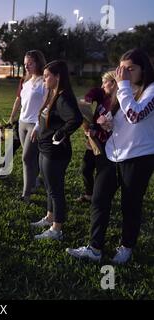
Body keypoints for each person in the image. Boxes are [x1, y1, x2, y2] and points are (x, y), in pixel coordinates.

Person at [67, 48, 154, 264]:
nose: (124, 73)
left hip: (138, 157)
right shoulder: (122, 90)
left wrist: (122, 85)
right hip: (111, 154)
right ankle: (95, 248)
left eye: (130, 69)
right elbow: (120, 119)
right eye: (121, 68)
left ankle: (126, 246)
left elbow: (135, 115)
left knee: (130, 204)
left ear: (144, 70)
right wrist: (107, 123)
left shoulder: (150, 90)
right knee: (98, 200)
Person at [30, 60, 83, 240]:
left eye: (47, 76)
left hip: (56, 153)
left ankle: (56, 229)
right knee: (49, 187)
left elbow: (75, 119)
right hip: (45, 149)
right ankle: (49, 217)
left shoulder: (63, 98)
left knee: (56, 190)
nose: (44, 79)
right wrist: (39, 130)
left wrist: (60, 134)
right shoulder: (54, 94)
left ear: (57, 77)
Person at [0, 50, 46, 202]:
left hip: (34, 125)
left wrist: (38, 126)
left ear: (38, 63)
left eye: (30, 63)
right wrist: (11, 119)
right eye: (25, 64)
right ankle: (34, 182)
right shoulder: (25, 82)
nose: (27, 66)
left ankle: (26, 194)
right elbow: (19, 101)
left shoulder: (44, 82)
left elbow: (47, 107)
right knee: (30, 157)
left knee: (27, 157)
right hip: (21, 123)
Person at [75, 71, 117, 203]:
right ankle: (89, 194)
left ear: (114, 83)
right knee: (86, 168)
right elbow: (95, 92)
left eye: (105, 82)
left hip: (106, 143)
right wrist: (87, 99)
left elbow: (114, 127)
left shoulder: (118, 102)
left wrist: (98, 132)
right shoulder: (104, 96)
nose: (103, 85)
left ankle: (100, 197)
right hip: (93, 139)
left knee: (101, 172)